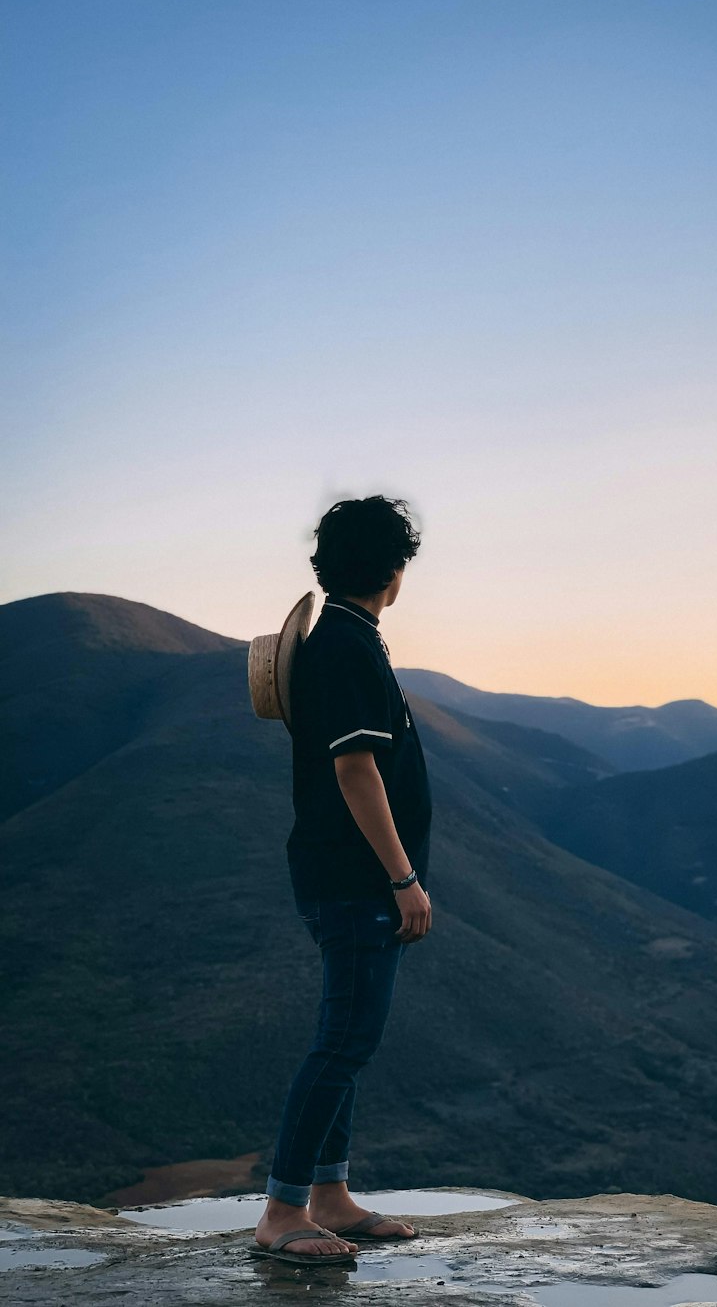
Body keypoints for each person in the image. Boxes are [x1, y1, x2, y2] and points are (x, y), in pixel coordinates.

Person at [254, 495, 433, 1260]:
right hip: (359, 880)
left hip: (339, 872)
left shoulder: (341, 639)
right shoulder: (351, 647)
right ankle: (282, 1212)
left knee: (350, 1037)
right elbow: (357, 768)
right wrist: (403, 879)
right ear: (394, 572)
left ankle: (329, 1193)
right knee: (342, 1041)